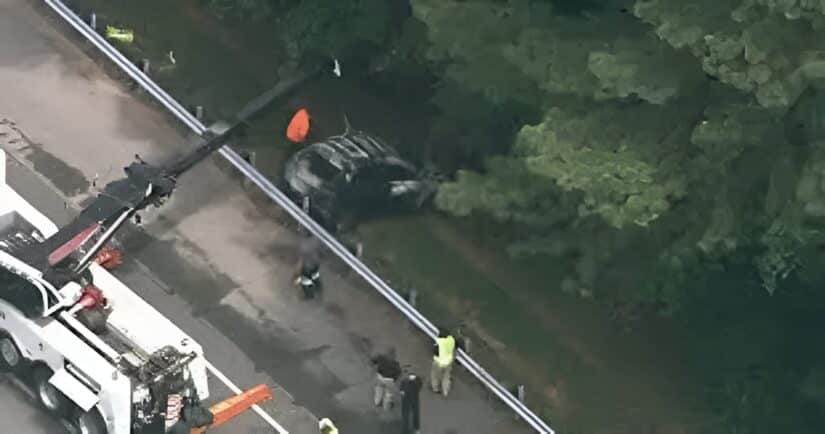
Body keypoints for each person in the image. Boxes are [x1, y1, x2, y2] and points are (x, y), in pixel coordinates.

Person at [294, 233, 322, 299]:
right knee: (314, 277)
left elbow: (302, 258)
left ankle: (309, 294)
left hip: (308, 266)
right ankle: (317, 288)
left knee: (306, 280)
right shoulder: (315, 239)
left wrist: (298, 269)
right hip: (315, 263)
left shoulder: (304, 244)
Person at [430, 327, 456, 397]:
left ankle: (435, 388)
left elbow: (434, 351)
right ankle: (445, 391)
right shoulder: (451, 341)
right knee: (446, 376)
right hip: (448, 362)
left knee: (435, 375)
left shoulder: (438, 341)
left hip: (438, 362)